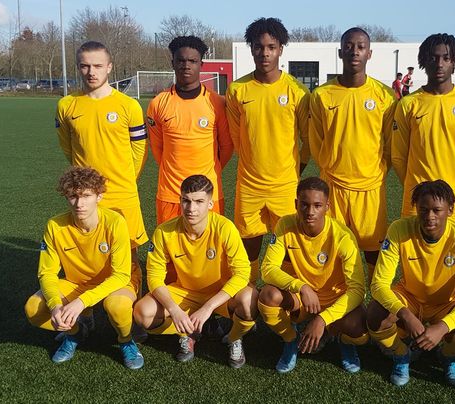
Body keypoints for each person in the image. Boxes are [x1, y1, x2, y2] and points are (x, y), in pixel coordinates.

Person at [55, 42, 149, 336]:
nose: (90, 72)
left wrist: (123, 180)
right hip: (87, 196)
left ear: (109, 67)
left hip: (122, 195)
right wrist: (85, 185)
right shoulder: (67, 105)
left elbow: (139, 149)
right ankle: (86, 313)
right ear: (78, 67)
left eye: (97, 66)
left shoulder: (128, 106)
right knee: (87, 256)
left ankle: (129, 318)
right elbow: (68, 148)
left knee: (128, 258)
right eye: (84, 66)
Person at [24, 167, 144, 369]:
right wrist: (55, 305)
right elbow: (47, 272)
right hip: (77, 282)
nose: (79, 203)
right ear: (66, 196)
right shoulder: (55, 225)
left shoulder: (115, 222)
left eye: (86, 196)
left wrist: (81, 302)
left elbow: (121, 275)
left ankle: (126, 341)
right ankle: (76, 332)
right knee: (33, 309)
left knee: (118, 306)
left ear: (99, 196)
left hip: (117, 282)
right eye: (73, 196)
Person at [133, 175, 257, 368]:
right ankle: (188, 332)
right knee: (142, 313)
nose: (191, 209)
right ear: (180, 200)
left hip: (219, 293)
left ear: (210, 203)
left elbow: (242, 273)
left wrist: (208, 307)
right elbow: (154, 277)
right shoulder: (164, 231)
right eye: (186, 201)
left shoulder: (224, 228)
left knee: (250, 300)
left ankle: (234, 337)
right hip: (184, 293)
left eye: (199, 202)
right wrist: (174, 310)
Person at [367, 180, 455, 387]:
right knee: (376, 313)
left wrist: (443, 327)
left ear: (450, 210)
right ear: (416, 209)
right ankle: (402, 354)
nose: (430, 216)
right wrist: (405, 315)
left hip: (445, 303)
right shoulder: (399, 229)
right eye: (423, 209)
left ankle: (448, 354)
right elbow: (378, 284)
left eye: (437, 210)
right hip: (410, 298)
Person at [226, 17, 310, 285]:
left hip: (285, 185)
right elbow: (237, 137)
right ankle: (248, 294)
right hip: (249, 185)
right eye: (259, 47)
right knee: (248, 244)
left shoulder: (297, 91)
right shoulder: (237, 90)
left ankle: (282, 299)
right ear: (251, 48)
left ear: (281, 49)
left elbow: (307, 141)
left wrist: (293, 170)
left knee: (287, 247)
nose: (265, 53)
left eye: (271, 47)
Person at [309, 27, 396, 286]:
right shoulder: (322, 95)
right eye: (349, 46)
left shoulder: (384, 96)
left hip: (370, 188)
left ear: (369, 53)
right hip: (333, 187)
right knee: (332, 251)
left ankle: (374, 308)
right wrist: (331, 167)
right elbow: (316, 141)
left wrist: (377, 171)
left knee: (372, 254)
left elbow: (390, 146)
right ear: (340, 52)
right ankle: (332, 309)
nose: (354, 51)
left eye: (360, 47)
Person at [258, 177, 367, 374]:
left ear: (327, 207)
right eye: (304, 205)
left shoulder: (343, 236)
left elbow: (358, 289)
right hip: (304, 299)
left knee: (359, 328)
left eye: (317, 206)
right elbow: (267, 269)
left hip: (335, 298)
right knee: (268, 296)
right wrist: (301, 286)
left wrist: (323, 319)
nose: (310, 212)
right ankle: (291, 339)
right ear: (296, 204)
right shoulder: (285, 224)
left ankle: (342, 340)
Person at [392, 33, 455, 229]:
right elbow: (399, 156)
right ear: (424, 61)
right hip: (417, 204)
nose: (439, 63)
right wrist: (416, 191)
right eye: (433, 58)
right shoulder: (408, 104)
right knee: (414, 257)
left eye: (446, 58)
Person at [147, 35, 232, 225]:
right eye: (181, 60)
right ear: (173, 63)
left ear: (201, 64)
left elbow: (226, 147)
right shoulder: (158, 103)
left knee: (210, 248)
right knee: (170, 248)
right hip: (171, 192)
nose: (186, 65)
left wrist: (210, 171)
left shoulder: (216, 102)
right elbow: (157, 149)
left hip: (209, 192)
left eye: (192, 61)